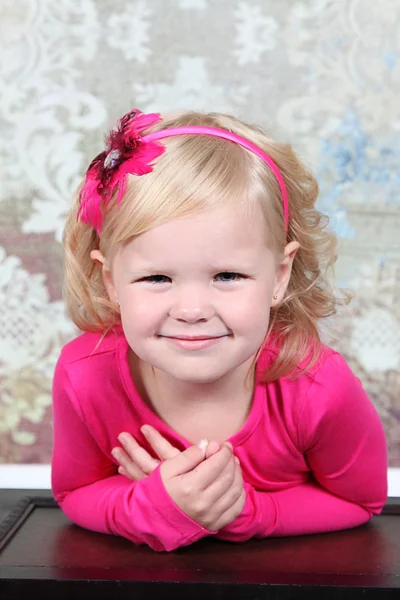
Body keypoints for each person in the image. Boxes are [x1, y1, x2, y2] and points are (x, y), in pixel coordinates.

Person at [52, 108, 388, 553]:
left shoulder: (318, 387)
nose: (191, 309)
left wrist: (244, 513)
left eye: (227, 275)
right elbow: (75, 493)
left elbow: (362, 501)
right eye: (157, 278)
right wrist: (149, 506)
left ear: (280, 275)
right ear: (112, 281)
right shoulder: (84, 376)